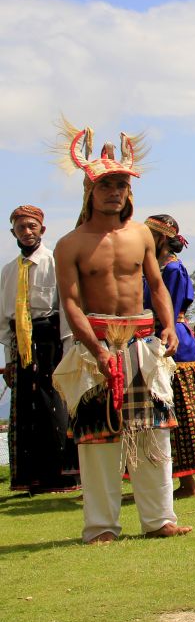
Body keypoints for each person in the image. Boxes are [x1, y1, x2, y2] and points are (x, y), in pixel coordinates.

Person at [51, 125, 191, 543]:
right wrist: (95, 349)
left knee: (154, 432)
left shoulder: (141, 235)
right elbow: (71, 304)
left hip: (141, 344)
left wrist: (168, 326)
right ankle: (101, 527)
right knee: (97, 440)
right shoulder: (70, 244)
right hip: (95, 344)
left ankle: (159, 520)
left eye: (121, 184)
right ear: (90, 191)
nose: (115, 191)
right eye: (106, 184)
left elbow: (158, 285)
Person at [144, 214, 195, 498]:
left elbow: (168, 306)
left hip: (171, 342)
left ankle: (188, 483)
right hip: (151, 339)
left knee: (179, 412)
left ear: (162, 238)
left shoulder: (172, 270)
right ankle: (166, 480)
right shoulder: (153, 268)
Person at [1, 205, 79, 494]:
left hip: (51, 340)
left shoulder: (55, 262)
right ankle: (28, 477)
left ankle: (61, 477)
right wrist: (10, 359)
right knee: (25, 410)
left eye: (32, 226)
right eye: (21, 227)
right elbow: (4, 321)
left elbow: (66, 307)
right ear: (13, 233)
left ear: (42, 230)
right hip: (21, 344)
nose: (27, 231)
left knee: (54, 406)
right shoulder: (9, 271)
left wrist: (68, 348)